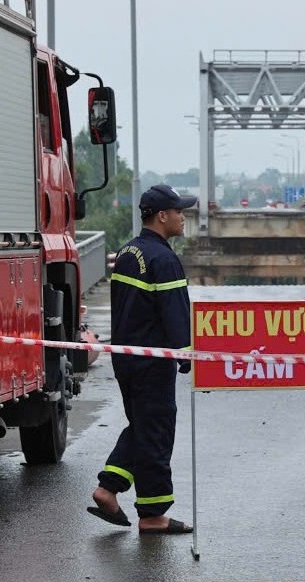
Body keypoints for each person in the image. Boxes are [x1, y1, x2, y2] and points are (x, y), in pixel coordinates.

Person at [87, 184, 197, 534]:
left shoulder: (127, 252)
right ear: (162, 216)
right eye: (179, 211)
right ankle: (152, 515)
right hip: (152, 361)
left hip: (127, 358)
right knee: (157, 431)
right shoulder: (163, 259)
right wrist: (184, 354)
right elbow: (174, 312)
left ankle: (109, 488)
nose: (183, 217)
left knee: (143, 427)